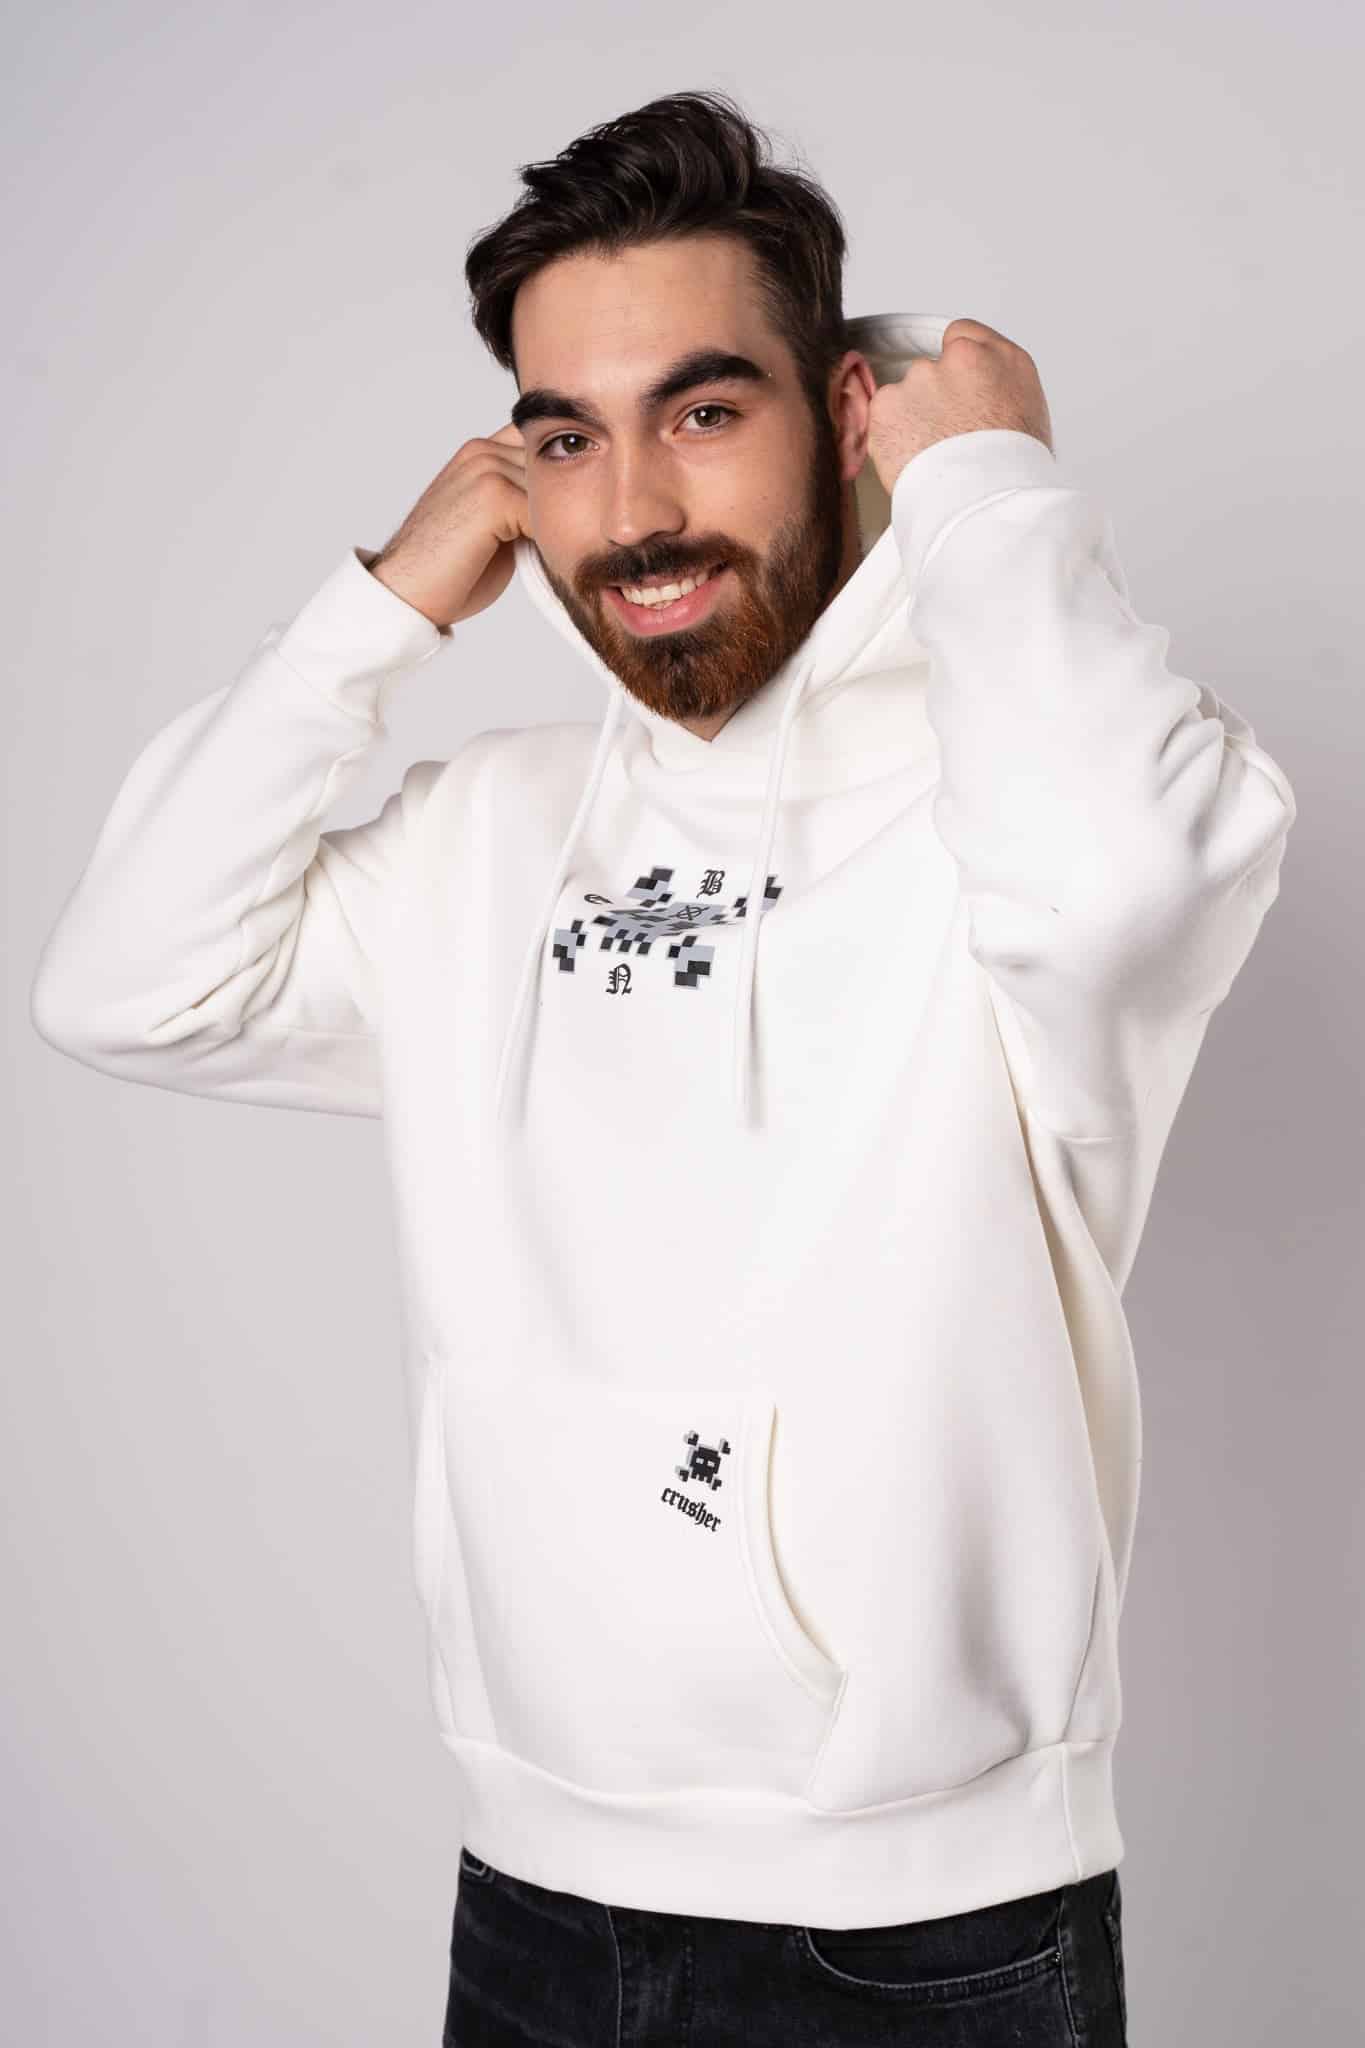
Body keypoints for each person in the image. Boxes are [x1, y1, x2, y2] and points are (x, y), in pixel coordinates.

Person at [30, 87, 1296, 2046]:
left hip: (932, 1931)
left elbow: (1129, 888)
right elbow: (127, 984)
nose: (628, 510)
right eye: (564, 437)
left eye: (702, 410)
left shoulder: (1028, 804)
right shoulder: (482, 836)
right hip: (536, 1898)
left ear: (845, 411)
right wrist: (375, 609)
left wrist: (987, 491)